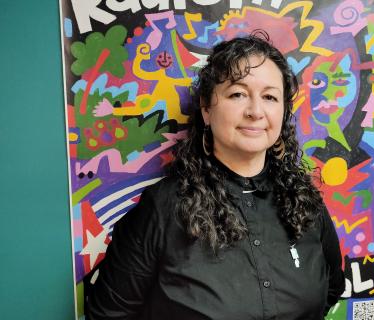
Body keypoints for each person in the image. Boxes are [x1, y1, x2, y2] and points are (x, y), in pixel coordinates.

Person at [86, 32, 345, 320]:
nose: (256, 111)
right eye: (238, 94)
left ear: (283, 112)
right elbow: (108, 314)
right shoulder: (163, 208)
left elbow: (331, 289)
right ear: (207, 109)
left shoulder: (305, 201)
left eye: (270, 97)